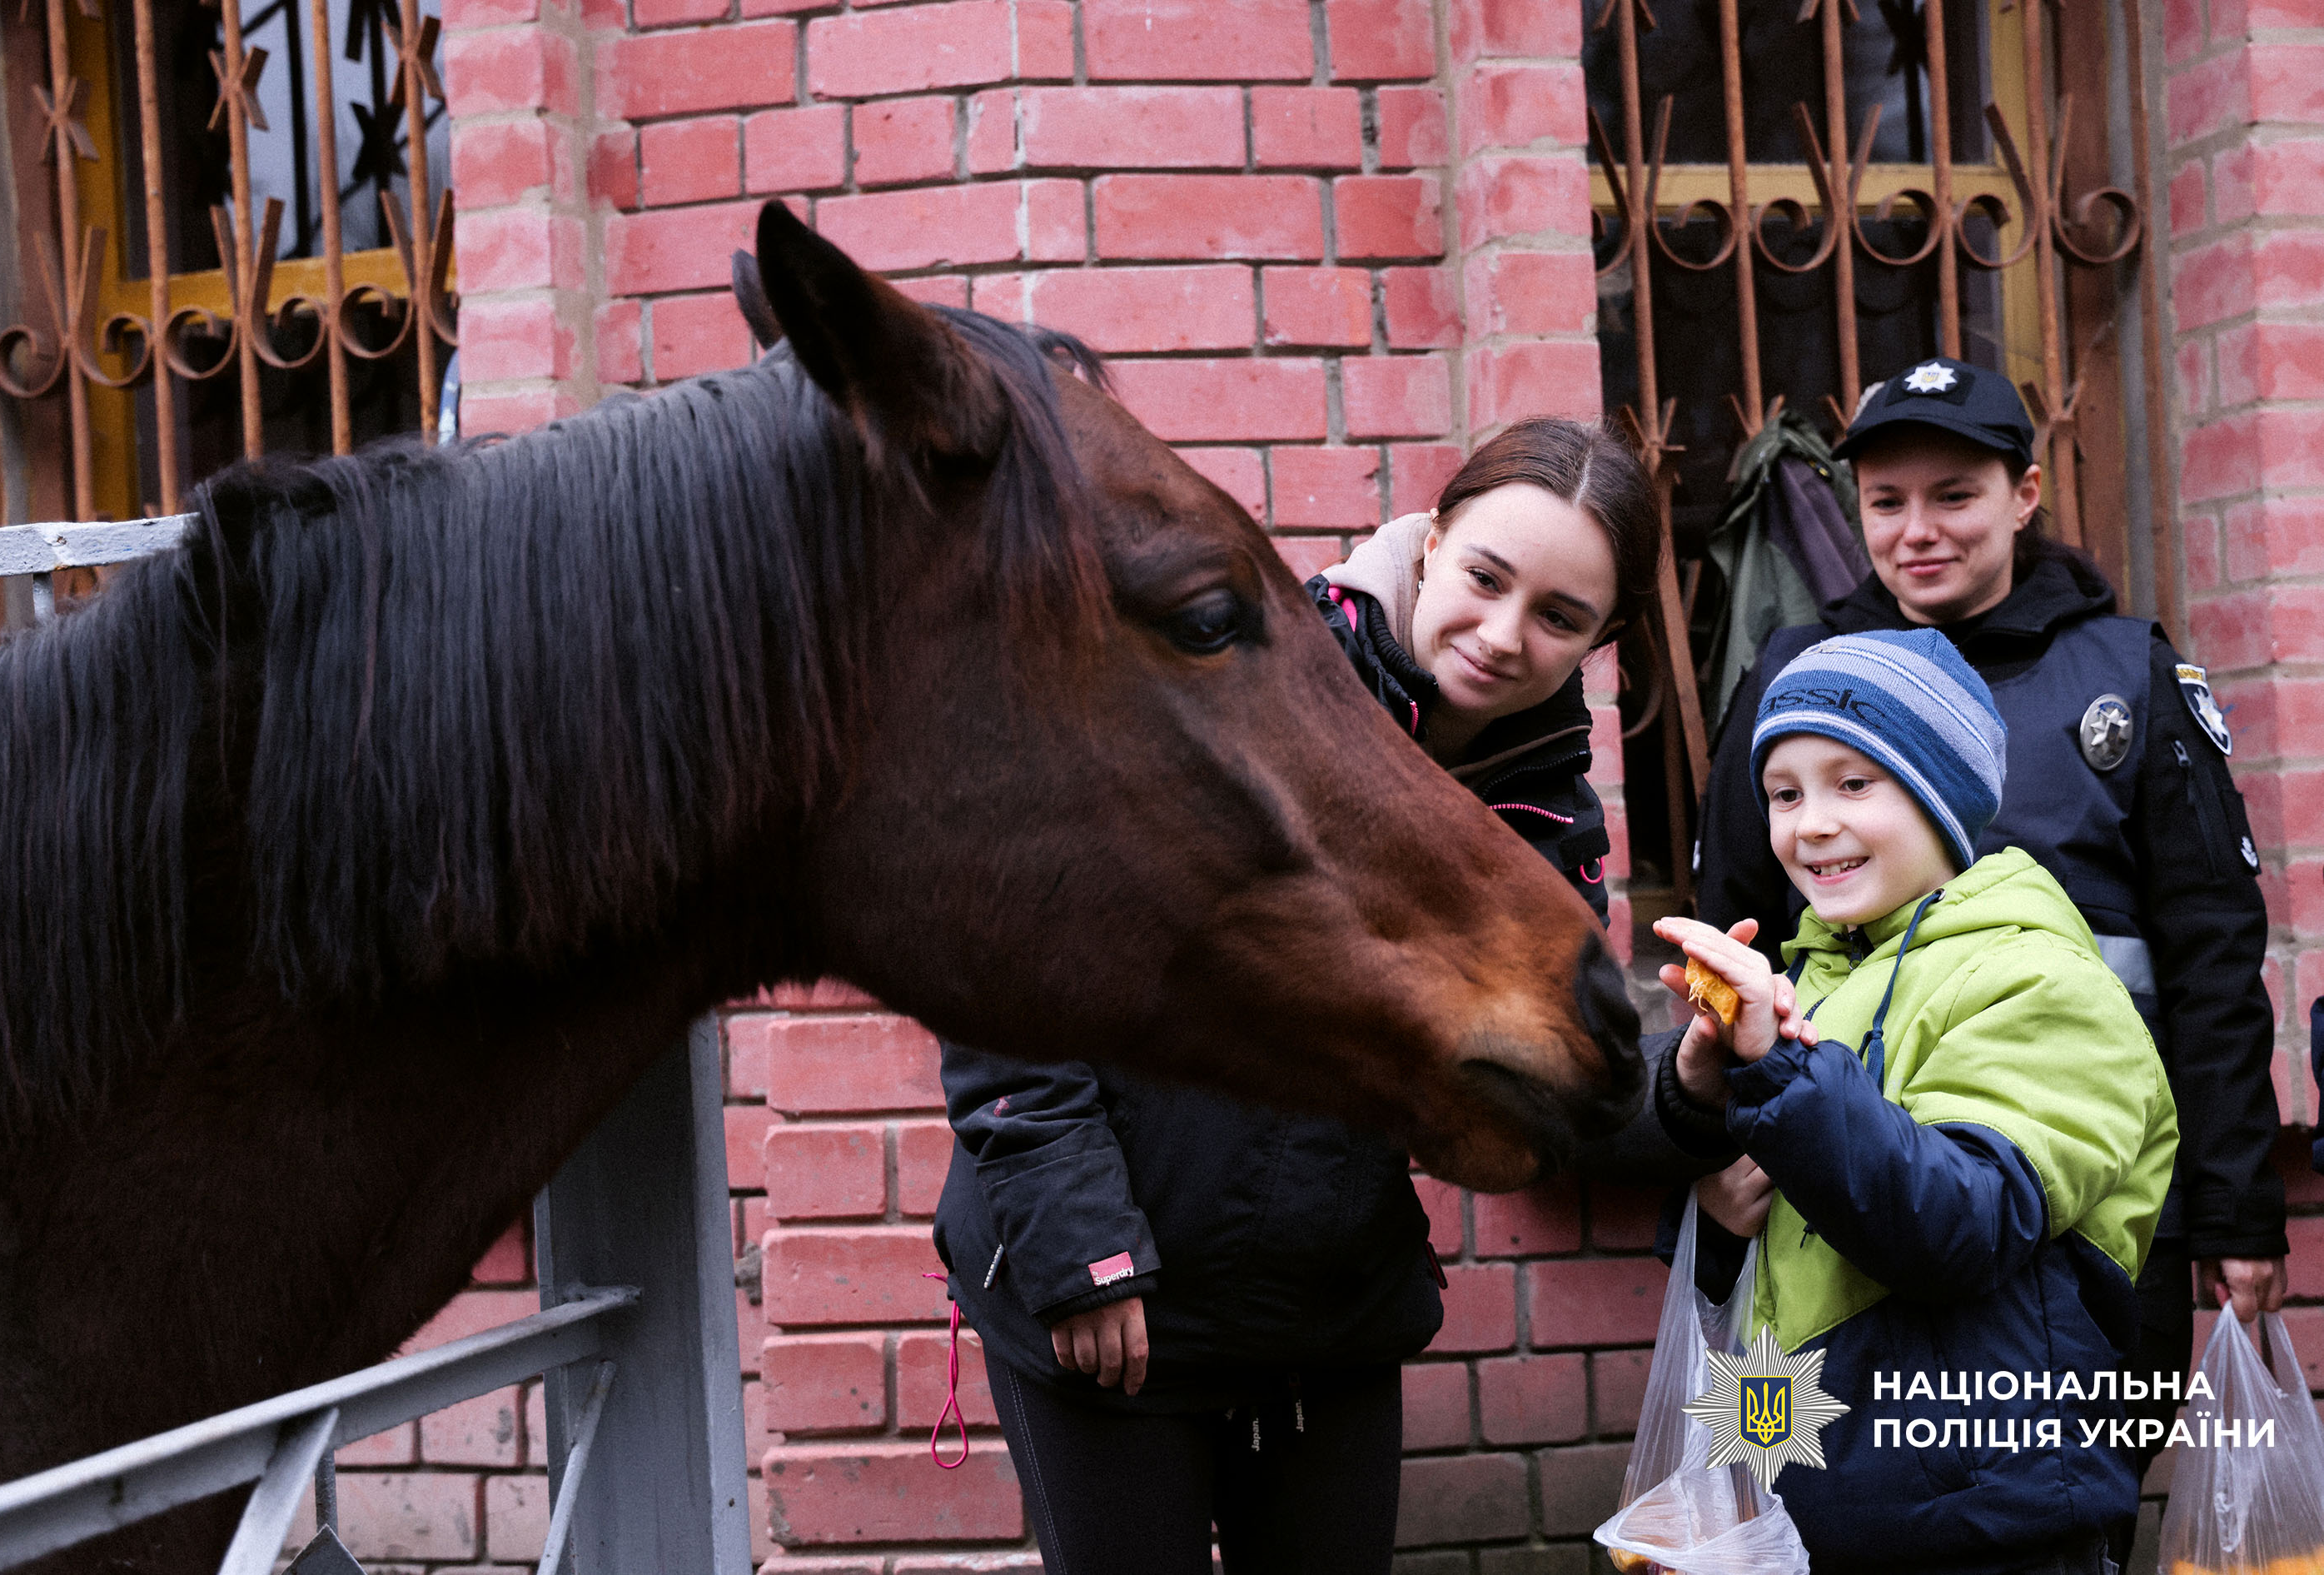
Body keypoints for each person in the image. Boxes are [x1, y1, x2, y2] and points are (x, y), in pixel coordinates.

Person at [929, 419, 1658, 1574]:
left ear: (1601, 640)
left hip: (1323, 1321)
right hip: (1110, 1306)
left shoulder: (1546, 833)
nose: (1502, 633)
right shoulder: (1230, 675)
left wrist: (1708, 1085)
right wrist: (1080, 1250)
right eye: (1484, 576)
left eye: (1558, 615)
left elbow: (1542, 1092)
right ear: (1429, 546)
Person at [1694, 357, 2288, 1479]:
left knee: (2046, 1513)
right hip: (1836, 1212)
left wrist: (2234, 1207)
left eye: (1952, 494)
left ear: (2021, 494)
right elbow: (1728, 938)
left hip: (2096, 1201)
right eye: (1884, 500)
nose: (1916, 529)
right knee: (1829, 1515)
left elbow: (2213, 956)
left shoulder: (2126, 673)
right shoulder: (1796, 673)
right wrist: (1716, 1151)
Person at [1656, 628, 2177, 1574]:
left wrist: (1778, 1073)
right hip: (1807, 1510)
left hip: (1982, 1522)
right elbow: (1778, 1281)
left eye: (1855, 783)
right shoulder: (1804, 986)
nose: (1810, 822)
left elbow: (1960, 1225)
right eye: (1785, 792)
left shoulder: (2036, 979)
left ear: (1943, 797)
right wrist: (1714, 1217)